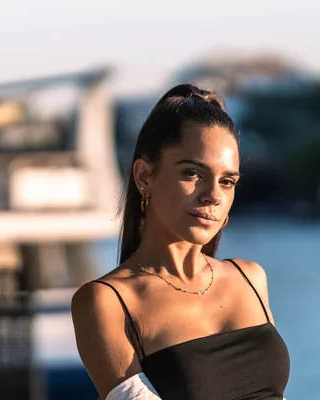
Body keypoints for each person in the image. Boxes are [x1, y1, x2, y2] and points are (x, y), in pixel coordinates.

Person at [71, 84, 290, 400]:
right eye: (192, 173)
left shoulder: (250, 278)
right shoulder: (108, 302)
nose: (213, 195)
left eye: (227, 182)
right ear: (144, 176)